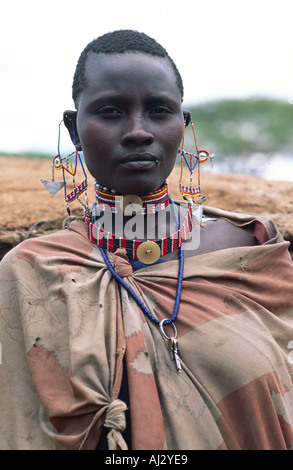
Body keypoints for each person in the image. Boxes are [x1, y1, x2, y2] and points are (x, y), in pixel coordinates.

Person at [0, 29, 293, 451]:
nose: (138, 131)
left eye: (159, 111)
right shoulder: (32, 270)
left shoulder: (247, 253)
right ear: (74, 128)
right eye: (111, 111)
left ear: (182, 124)